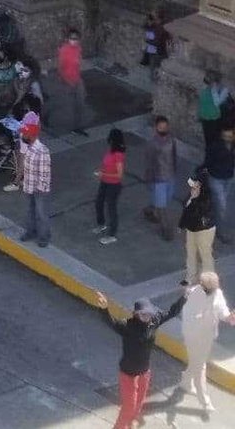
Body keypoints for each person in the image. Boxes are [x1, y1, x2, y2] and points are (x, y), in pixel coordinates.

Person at [95, 290, 185, 429]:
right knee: (128, 408)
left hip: (144, 372)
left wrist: (184, 297)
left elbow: (172, 312)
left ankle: (130, 425)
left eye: (149, 313)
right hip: (128, 374)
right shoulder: (127, 326)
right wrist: (104, 309)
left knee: (139, 404)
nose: (147, 316)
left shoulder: (154, 321)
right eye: (143, 314)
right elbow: (111, 323)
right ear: (136, 314)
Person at [179, 272, 235, 411]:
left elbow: (223, 312)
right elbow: (188, 318)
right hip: (193, 337)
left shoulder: (218, 294)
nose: (211, 292)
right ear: (202, 286)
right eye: (208, 290)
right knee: (200, 366)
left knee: (197, 362)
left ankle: (185, 381)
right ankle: (205, 400)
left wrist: (230, 317)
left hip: (208, 336)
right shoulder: (192, 295)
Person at [143, 115, 178, 242]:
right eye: (160, 127)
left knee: (164, 201)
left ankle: (150, 210)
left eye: (165, 126)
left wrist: (174, 171)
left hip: (170, 177)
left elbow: (174, 156)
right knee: (162, 207)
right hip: (158, 179)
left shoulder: (171, 140)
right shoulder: (152, 144)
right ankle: (166, 229)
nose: (163, 129)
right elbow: (149, 162)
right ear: (156, 128)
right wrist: (149, 178)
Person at [19, 121, 52, 247]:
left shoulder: (42, 150)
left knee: (41, 214)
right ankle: (30, 232)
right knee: (30, 211)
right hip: (29, 186)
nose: (22, 136)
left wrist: (40, 189)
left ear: (32, 135)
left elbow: (44, 173)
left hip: (39, 190)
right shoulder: (30, 148)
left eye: (24, 134)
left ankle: (44, 237)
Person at [181, 172, 216, 284]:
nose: (193, 187)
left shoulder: (206, 198)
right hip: (191, 228)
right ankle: (190, 277)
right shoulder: (193, 193)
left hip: (204, 230)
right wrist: (181, 224)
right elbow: (186, 208)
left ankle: (208, 281)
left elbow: (200, 212)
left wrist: (195, 199)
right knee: (191, 252)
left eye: (196, 185)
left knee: (205, 254)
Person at [92, 128, 126, 245]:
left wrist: (103, 174)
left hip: (113, 184)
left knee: (111, 208)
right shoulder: (111, 151)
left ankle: (112, 234)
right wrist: (102, 172)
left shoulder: (118, 155)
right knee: (99, 202)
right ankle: (101, 224)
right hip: (104, 181)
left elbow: (119, 174)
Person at [203, 126, 235, 244]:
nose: (227, 138)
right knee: (222, 205)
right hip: (216, 178)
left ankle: (210, 216)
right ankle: (220, 232)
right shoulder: (215, 146)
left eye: (230, 136)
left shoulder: (232, 146)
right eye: (225, 136)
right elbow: (208, 161)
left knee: (220, 202)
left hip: (228, 177)